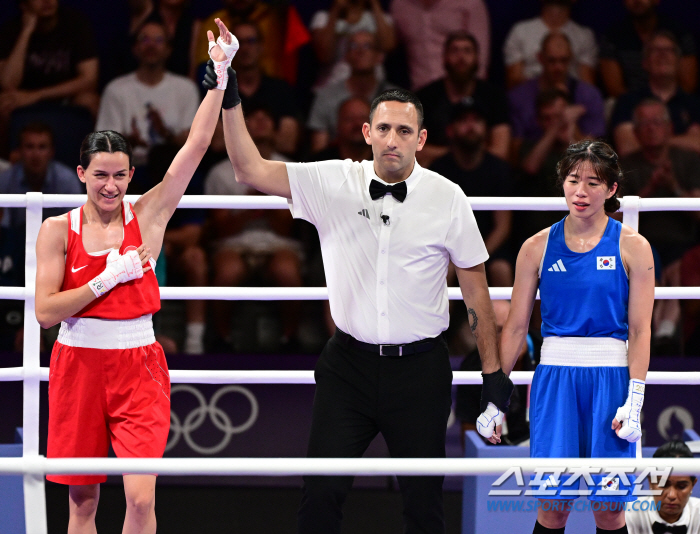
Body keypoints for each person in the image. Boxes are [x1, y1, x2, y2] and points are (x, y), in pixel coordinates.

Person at [209, 57, 513, 531]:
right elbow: (248, 169)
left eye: (405, 131)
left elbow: (476, 293)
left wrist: (493, 375)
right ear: (367, 132)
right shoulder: (332, 181)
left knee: (423, 504)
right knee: (320, 496)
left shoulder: (448, 196)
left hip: (421, 372)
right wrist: (229, 96)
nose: (394, 139)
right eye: (385, 128)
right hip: (347, 368)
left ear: (422, 139)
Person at [33, 19, 235, 533]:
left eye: (120, 174)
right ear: (81, 174)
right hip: (77, 363)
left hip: (138, 364)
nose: (110, 185)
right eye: (100, 174)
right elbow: (45, 312)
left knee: (141, 500)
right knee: (81, 502)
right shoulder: (58, 230)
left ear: (130, 174)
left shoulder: (147, 216)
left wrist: (219, 71)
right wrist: (107, 279)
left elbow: (194, 148)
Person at [488, 140, 655, 533]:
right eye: (573, 180)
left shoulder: (634, 246)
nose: (580, 191)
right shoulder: (535, 247)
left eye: (593, 183)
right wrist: (494, 395)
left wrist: (635, 398)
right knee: (551, 506)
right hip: (556, 378)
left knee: (610, 510)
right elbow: (514, 326)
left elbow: (640, 329)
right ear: (562, 182)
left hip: (612, 379)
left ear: (612, 190)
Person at [204, 104, 302, 351]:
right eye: (252, 118)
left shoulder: (292, 170)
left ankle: (289, 339)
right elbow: (221, 230)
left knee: (287, 272)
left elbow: (289, 230)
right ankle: (223, 340)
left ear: (276, 129)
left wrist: (267, 201)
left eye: (266, 116)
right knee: (227, 273)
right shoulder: (220, 173)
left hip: (279, 243)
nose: (259, 121)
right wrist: (250, 208)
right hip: (233, 244)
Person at [620, 99, 700, 350]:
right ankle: (651, 335)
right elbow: (613, 218)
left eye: (657, 122)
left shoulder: (689, 159)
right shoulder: (624, 165)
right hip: (641, 243)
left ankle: (664, 334)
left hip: (684, 243)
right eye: (644, 124)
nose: (652, 128)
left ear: (669, 127)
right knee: (648, 266)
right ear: (634, 132)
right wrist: (650, 189)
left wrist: (673, 185)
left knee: (679, 269)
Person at [430, 101, 514, 287]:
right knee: (444, 269)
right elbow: (434, 223)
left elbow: (503, 227)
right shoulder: (438, 170)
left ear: (486, 129)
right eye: (463, 120)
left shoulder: (499, 169)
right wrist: (456, 255)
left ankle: (506, 317)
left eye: (476, 120)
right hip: (449, 246)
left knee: (501, 269)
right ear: (451, 130)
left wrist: (476, 256)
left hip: (490, 245)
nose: (471, 126)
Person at [96, 20, 200, 168]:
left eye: (158, 40)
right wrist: (129, 141)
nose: (151, 45)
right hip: (129, 168)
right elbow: (103, 146)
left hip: (173, 168)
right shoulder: (115, 89)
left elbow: (193, 145)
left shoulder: (186, 89)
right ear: (135, 48)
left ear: (168, 49)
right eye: (144, 39)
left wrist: (165, 134)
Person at [416, 31, 510, 166]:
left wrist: (447, 154)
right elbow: (414, 152)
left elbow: (501, 152)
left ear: (477, 58)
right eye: (454, 51)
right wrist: (464, 153)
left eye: (467, 51)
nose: (461, 57)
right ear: (444, 58)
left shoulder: (494, 97)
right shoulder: (424, 98)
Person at [0, 0, 99, 116]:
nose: (46, 1)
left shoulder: (75, 23)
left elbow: (89, 80)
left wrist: (36, 95)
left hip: (64, 97)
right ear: (23, 5)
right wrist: (26, 32)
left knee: (89, 100)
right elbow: (8, 84)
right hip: (23, 100)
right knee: (4, 103)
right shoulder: (10, 29)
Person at [610, 31, 700, 158]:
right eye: (655, 50)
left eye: (669, 50)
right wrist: (684, 140)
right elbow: (628, 148)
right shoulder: (628, 102)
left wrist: (652, 141)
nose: (662, 55)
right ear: (645, 63)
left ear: (679, 62)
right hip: (641, 174)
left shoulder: (694, 104)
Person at [456, 300, 533, 446]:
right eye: (499, 330)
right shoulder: (472, 367)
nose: (510, 335)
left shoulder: (544, 350)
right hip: (496, 456)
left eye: (514, 325)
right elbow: (469, 434)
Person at [307, 30, 397, 153]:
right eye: (353, 46)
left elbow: (411, 147)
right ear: (346, 56)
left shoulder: (398, 99)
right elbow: (318, 151)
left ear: (380, 56)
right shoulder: (326, 97)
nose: (360, 51)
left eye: (367, 46)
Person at [509, 32, 605, 144]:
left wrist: (567, 116)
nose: (558, 67)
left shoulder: (589, 95)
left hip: (574, 158)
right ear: (540, 58)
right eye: (552, 60)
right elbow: (515, 153)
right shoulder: (518, 97)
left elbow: (594, 151)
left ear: (571, 58)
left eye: (563, 60)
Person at [229, 21, 301, 156]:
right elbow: (216, 143)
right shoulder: (218, 92)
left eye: (250, 41)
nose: (244, 48)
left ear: (261, 46)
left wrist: (238, 135)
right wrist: (265, 133)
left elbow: (288, 142)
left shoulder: (280, 90)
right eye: (238, 43)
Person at [599, 0, 697, 98]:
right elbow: (614, 88)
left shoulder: (679, 34)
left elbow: (688, 85)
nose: (637, 1)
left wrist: (666, 104)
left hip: (674, 102)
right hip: (630, 104)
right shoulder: (613, 37)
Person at [390, 0, 490, 90]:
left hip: (459, 94)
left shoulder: (469, 3)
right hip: (420, 93)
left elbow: (479, 58)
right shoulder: (400, 5)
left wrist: (474, 97)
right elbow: (387, 48)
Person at [503, 0, 597, 89]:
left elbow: (587, 86)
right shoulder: (520, 32)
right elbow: (513, 84)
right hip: (531, 99)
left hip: (571, 98)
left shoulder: (584, 36)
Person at [310, 0, 395, 90]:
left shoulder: (382, 18)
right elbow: (324, 55)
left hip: (373, 87)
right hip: (333, 86)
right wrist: (336, 10)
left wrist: (375, 4)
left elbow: (388, 46)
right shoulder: (323, 18)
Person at [626, 440, 700, 533]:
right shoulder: (629, 514)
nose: (672, 495)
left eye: (681, 486)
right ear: (650, 482)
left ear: (693, 485)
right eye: (663, 485)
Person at [311, 97, 373, 162]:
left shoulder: (384, 160)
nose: (357, 124)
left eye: (363, 118)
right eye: (349, 119)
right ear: (337, 124)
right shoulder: (319, 163)